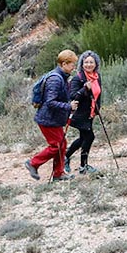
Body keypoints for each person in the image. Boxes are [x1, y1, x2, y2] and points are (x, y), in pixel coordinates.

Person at [29, 49, 79, 181]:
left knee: (61, 144)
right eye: (72, 64)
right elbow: (50, 102)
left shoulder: (60, 76)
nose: (74, 67)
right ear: (64, 64)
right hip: (47, 119)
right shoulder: (56, 79)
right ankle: (33, 163)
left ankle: (58, 174)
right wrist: (68, 106)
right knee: (56, 145)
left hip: (53, 119)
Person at [65, 50, 105, 174]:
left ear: (96, 64)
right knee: (89, 136)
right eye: (86, 62)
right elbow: (72, 96)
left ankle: (66, 158)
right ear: (82, 64)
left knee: (84, 138)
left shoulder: (97, 77)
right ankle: (83, 166)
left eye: (91, 62)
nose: (88, 65)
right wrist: (84, 89)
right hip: (79, 114)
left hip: (90, 113)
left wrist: (97, 108)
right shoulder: (78, 78)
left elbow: (98, 94)